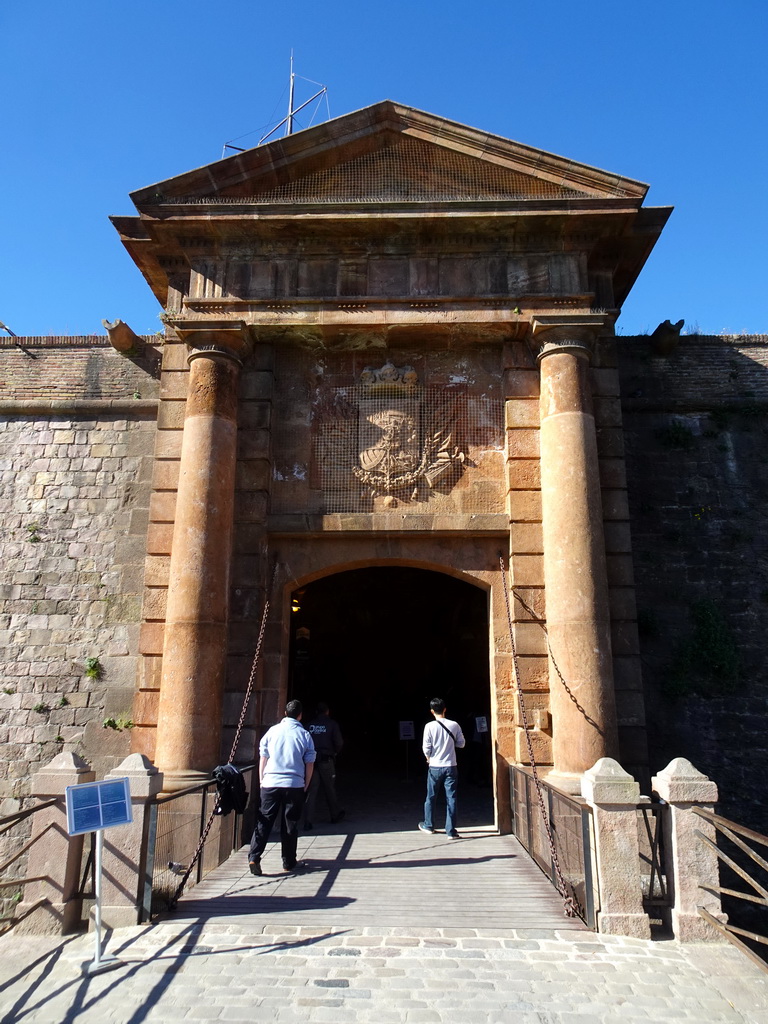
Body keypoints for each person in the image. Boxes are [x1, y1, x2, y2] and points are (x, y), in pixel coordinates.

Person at [248, 699, 316, 875]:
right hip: (294, 784)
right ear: (300, 715)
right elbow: (310, 764)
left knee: (264, 821)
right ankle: (288, 862)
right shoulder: (305, 735)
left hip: (270, 783)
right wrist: (305, 785)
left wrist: (262, 781)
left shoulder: (272, 731)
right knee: (290, 824)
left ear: (285, 713)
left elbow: (263, 757)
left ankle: (254, 856)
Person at [418, 697, 466, 839]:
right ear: (445, 709)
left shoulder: (429, 726)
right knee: (451, 797)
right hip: (451, 765)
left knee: (431, 796)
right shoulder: (454, 725)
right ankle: (451, 830)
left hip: (435, 766)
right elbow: (461, 744)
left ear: (432, 711)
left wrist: (428, 758)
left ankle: (428, 825)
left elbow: (426, 747)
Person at [304, 702, 345, 827]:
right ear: (327, 711)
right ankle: (334, 814)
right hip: (326, 760)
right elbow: (339, 742)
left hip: (312, 761)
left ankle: (308, 821)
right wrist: (335, 752)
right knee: (329, 789)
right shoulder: (332, 724)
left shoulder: (309, 725)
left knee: (311, 790)